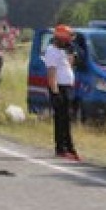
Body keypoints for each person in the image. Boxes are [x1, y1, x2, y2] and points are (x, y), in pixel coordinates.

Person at [43, 24, 79, 160]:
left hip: (67, 87)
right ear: (61, 39)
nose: (69, 42)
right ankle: (61, 148)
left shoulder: (63, 51)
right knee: (61, 119)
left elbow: (68, 66)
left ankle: (70, 147)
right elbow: (51, 73)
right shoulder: (51, 51)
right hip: (59, 88)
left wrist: (71, 53)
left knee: (67, 119)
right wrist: (55, 92)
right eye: (67, 39)